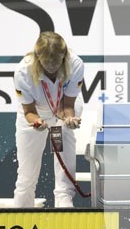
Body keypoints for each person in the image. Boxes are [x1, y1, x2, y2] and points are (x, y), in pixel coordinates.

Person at [13, 31, 84, 208]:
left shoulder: (75, 64)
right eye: (47, 63)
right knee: (26, 173)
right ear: (38, 58)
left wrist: (69, 119)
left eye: (56, 63)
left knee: (62, 141)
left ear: (64, 56)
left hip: (62, 111)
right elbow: (29, 111)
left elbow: (68, 105)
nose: (52, 68)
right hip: (35, 114)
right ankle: (22, 210)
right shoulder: (23, 72)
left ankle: (64, 201)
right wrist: (36, 122)